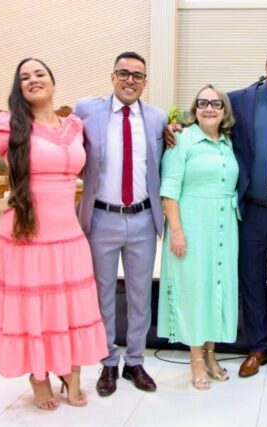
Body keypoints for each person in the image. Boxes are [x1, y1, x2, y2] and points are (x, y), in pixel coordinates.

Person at [0, 58, 107, 409]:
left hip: (68, 234)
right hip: (26, 234)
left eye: (40, 74)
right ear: (18, 88)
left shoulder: (75, 125)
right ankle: (39, 375)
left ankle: (69, 369)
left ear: (53, 81)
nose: (33, 80)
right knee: (35, 307)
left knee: (69, 306)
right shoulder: (9, 125)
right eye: (24, 77)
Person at [166, 44, 267, 380]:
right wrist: (175, 126)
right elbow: (206, 119)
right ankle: (257, 347)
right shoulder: (238, 100)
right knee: (250, 280)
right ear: (266, 65)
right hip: (250, 210)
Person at [74, 51, 167, 396]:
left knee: (141, 295)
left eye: (137, 75)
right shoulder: (87, 109)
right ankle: (108, 362)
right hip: (101, 217)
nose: (130, 80)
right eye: (123, 73)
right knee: (103, 295)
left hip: (142, 218)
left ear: (145, 82)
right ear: (112, 76)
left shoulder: (156, 118)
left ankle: (136, 361)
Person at [158, 84, 239, 390]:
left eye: (216, 104)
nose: (209, 108)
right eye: (202, 103)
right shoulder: (182, 140)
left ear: (224, 111)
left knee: (215, 289)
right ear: (194, 109)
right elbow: (169, 189)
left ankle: (211, 355)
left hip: (224, 227)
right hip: (192, 226)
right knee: (193, 291)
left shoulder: (228, 142)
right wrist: (176, 232)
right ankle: (195, 360)